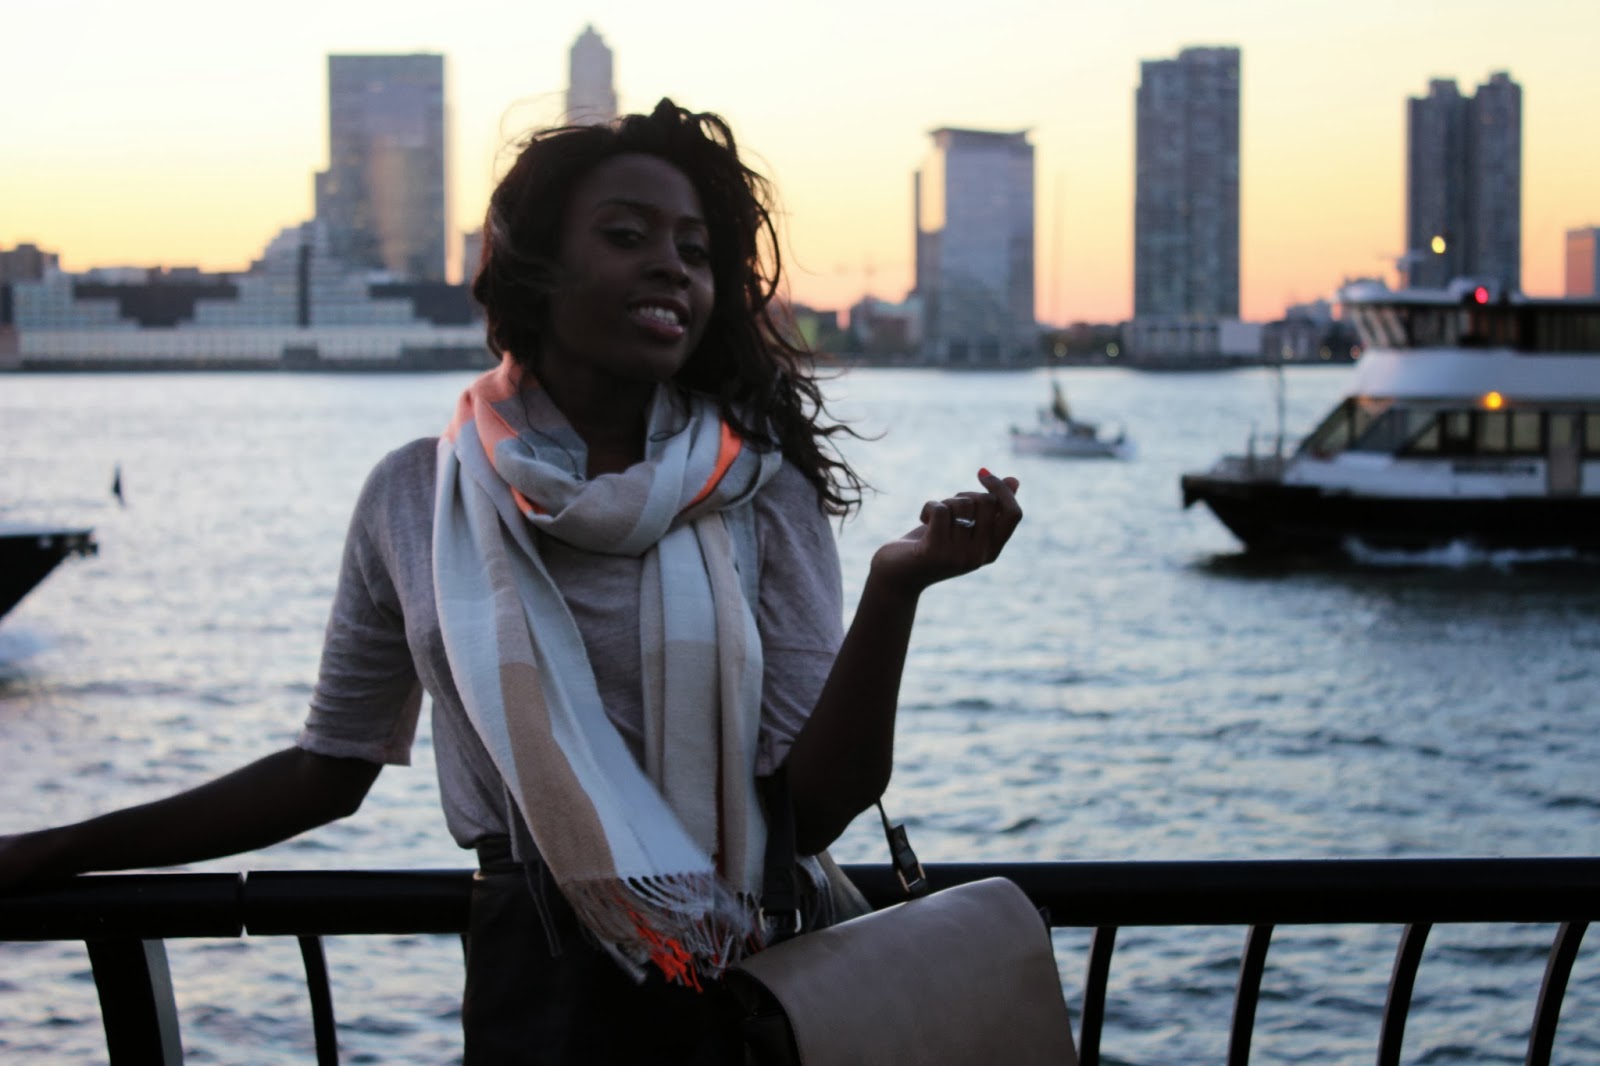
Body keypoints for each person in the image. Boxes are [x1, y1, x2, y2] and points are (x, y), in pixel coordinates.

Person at [0, 99, 1022, 1063]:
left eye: (695, 250)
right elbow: (328, 771)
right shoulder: (415, 495)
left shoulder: (761, 488)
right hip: (539, 989)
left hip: (758, 982)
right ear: (535, 271)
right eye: (627, 235)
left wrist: (895, 590)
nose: (670, 265)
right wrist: (48, 852)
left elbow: (818, 805)